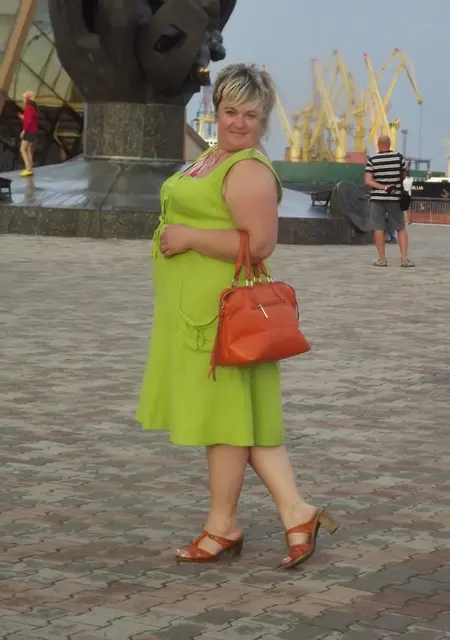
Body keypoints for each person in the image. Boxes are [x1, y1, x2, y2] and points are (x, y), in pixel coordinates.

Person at [136, 64, 338, 569]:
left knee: (226, 425)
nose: (239, 122)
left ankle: (222, 526)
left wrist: (188, 237)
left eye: (251, 114)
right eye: (231, 111)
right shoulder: (213, 157)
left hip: (221, 316)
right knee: (243, 422)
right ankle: (297, 513)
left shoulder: (247, 168)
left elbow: (260, 243)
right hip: (199, 312)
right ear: (216, 110)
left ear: (264, 120)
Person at [364, 135, 415, 268]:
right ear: (390, 143)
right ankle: (404, 260)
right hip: (395, 198)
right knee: (400, 228)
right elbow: (404, 175)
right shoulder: (398, 157)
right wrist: (392, 185)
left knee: (379, 228)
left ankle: (382, 260)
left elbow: (368, 181)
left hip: (377, 199)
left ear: (378, 145)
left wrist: (383, 187)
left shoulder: (372, 159)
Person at [18, 91, 38, 177]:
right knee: (28, 149)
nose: (23, 99)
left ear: (27, 99)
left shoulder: (28, 108)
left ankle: (28, 169)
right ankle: (30, 169)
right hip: (33, 131)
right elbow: (30, 119)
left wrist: (23, 131)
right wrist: (23, 117)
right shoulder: (33, 108)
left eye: (24, 98)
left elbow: (28, 121)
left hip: (29, 131)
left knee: (22, 149)